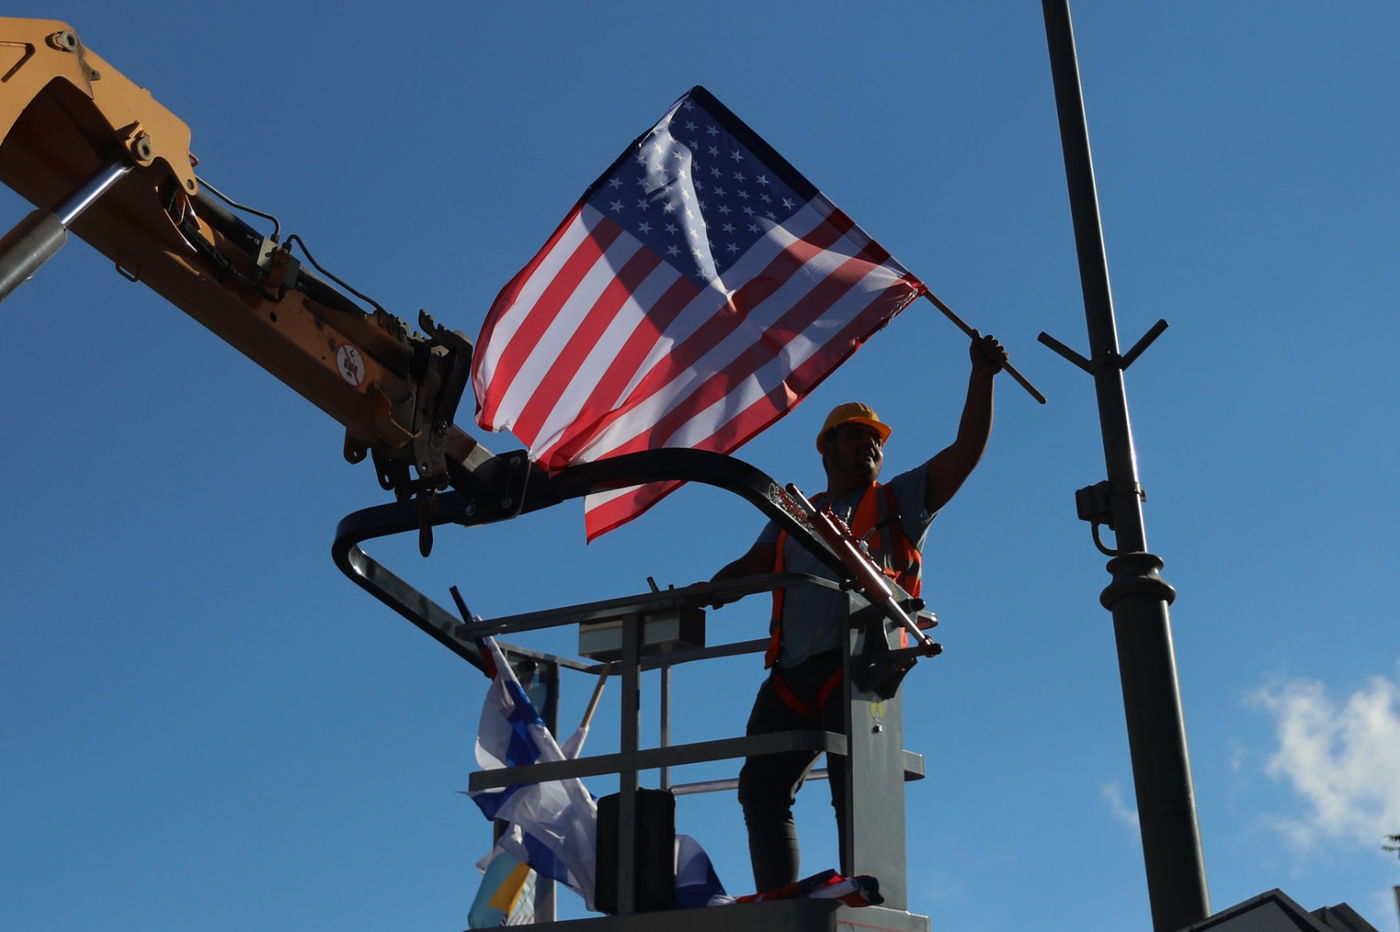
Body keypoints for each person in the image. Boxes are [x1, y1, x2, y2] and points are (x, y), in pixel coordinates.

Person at [709, 331, 1008, 892]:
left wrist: (982, 376)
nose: (870, 446)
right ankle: (780, 896)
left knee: (856, 785)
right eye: (857, 437)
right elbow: (754, 563)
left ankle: (863, 888)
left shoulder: (900, 501)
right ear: (827, 448)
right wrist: (706, 591)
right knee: (760, 787)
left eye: (875, 440)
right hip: (792, 672)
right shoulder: (796, 513)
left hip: (859, 667)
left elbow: (963, 452)